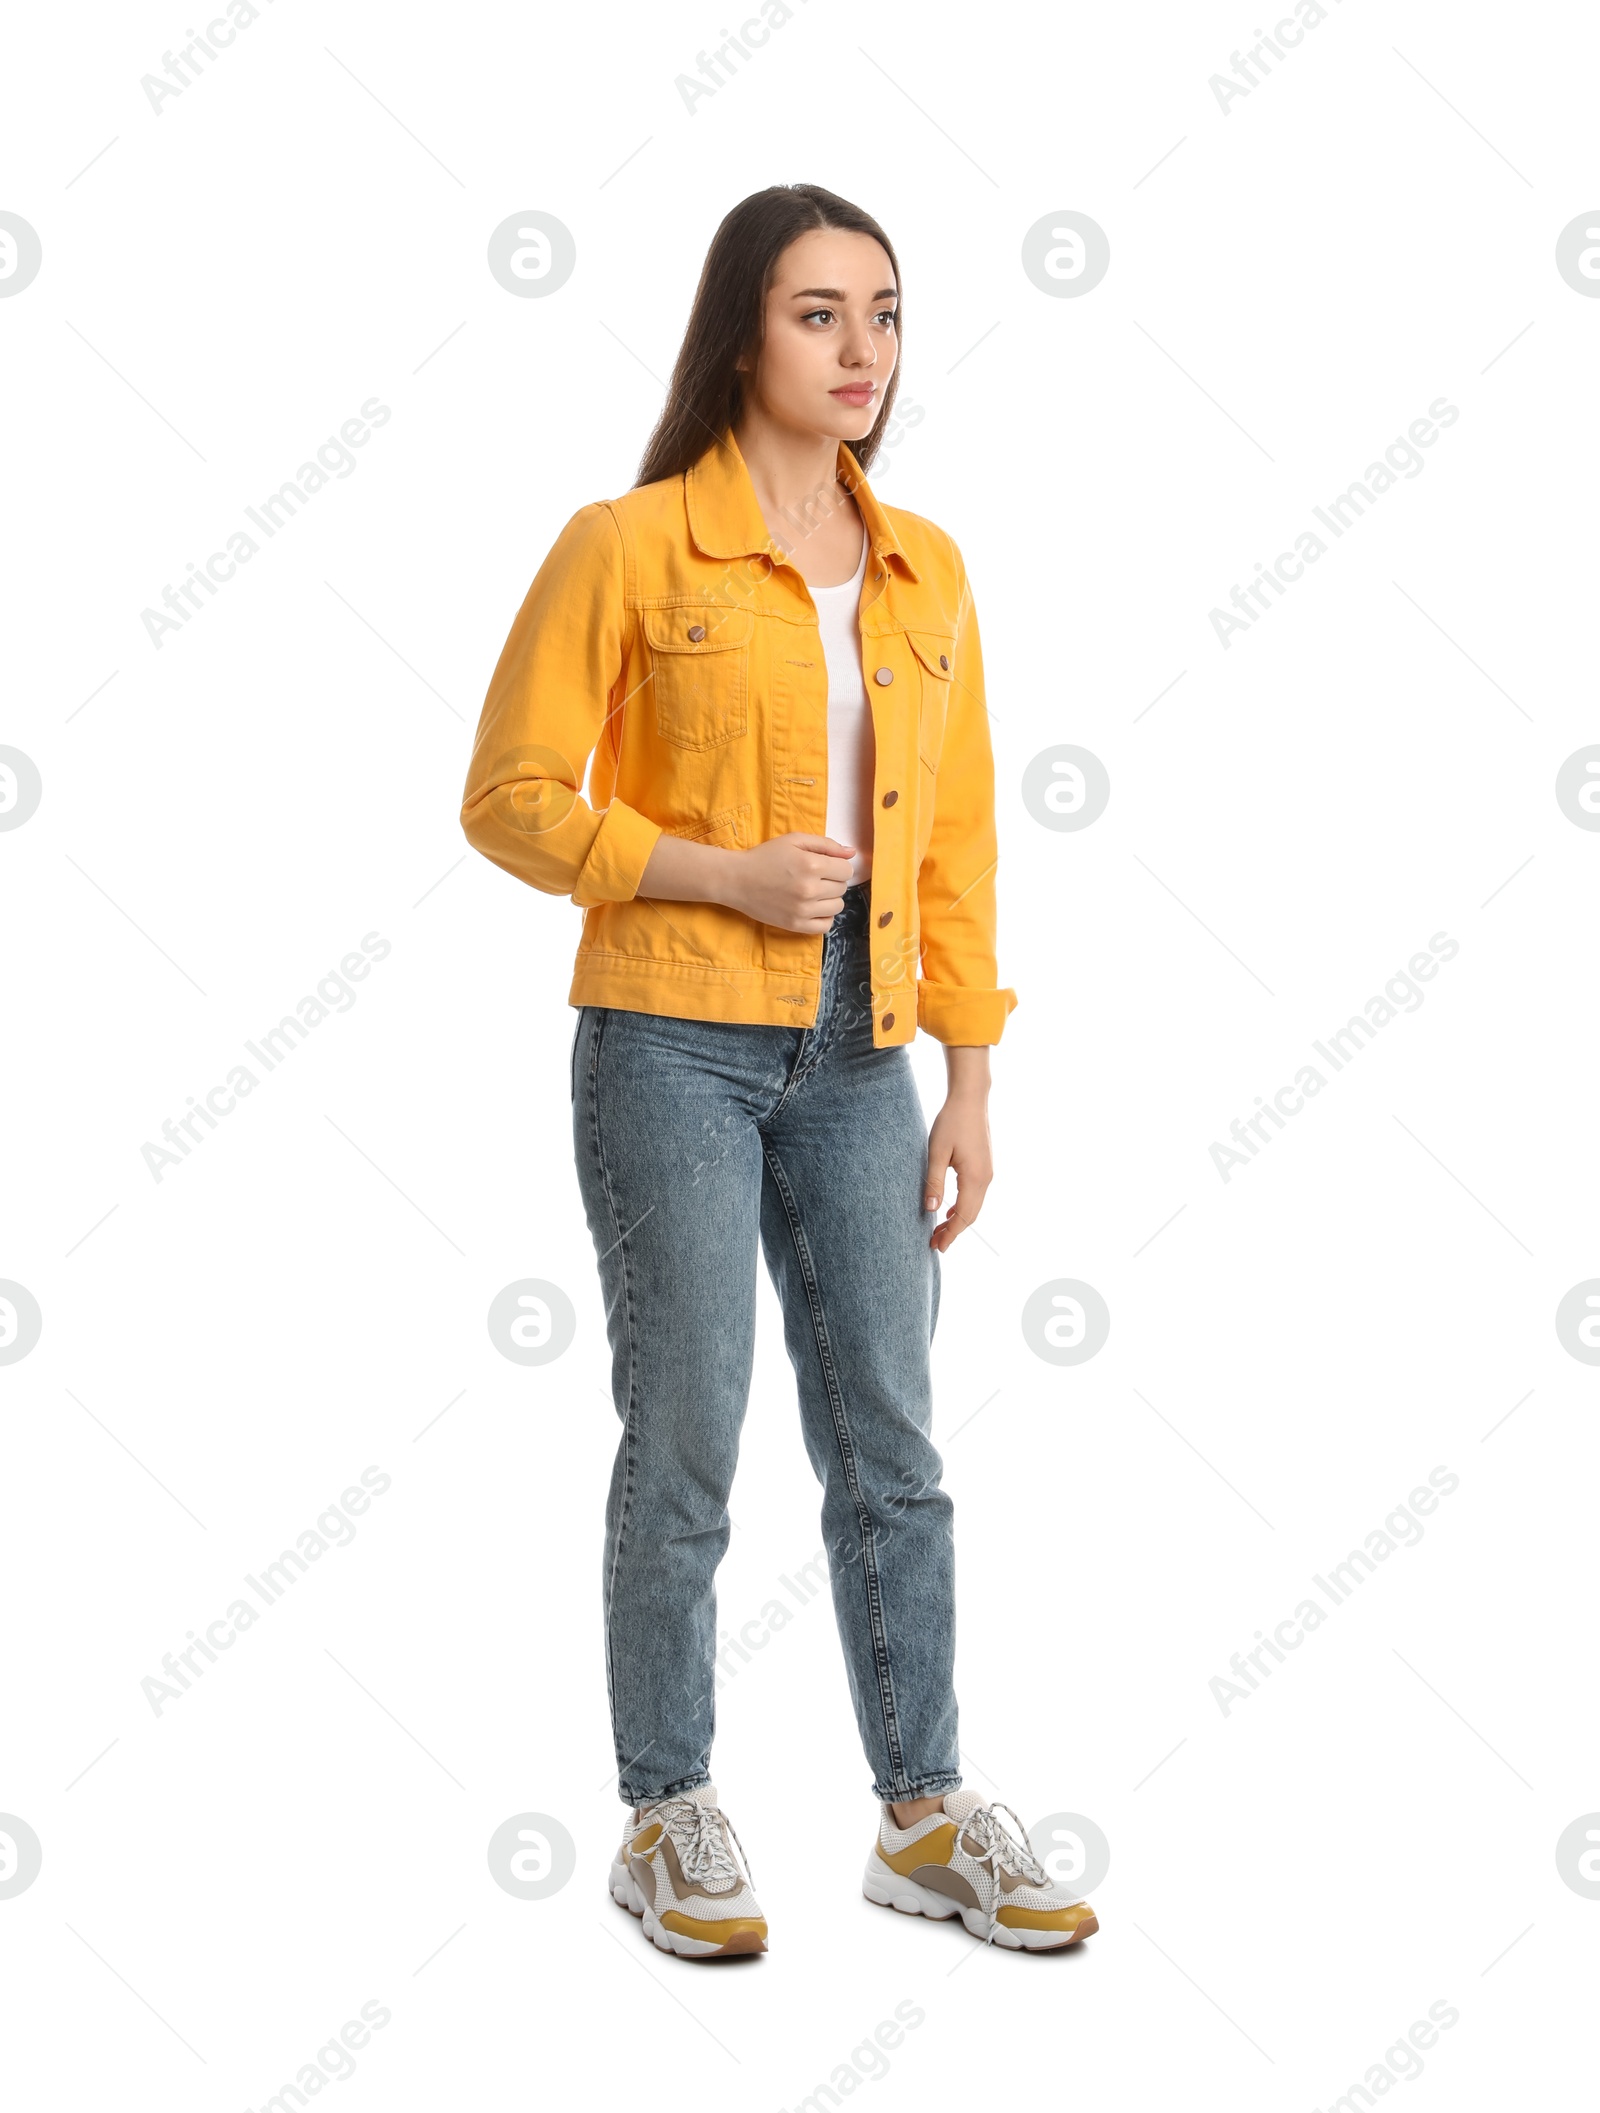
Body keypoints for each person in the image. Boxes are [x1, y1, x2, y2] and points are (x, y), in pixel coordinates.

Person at [460, 183, 1098, 1959]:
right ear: (743, 329)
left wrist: (971, 1076)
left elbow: (956, 838)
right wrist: (714, 870)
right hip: (668, 1027)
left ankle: (924, 1816)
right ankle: (668, 1809)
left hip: (864, 1047)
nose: (862, 352)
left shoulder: (929, 568)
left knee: (892, 1435)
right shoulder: (630, 540)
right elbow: (509, 797)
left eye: (884, 315)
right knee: (688, 1439)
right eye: (821, 315)